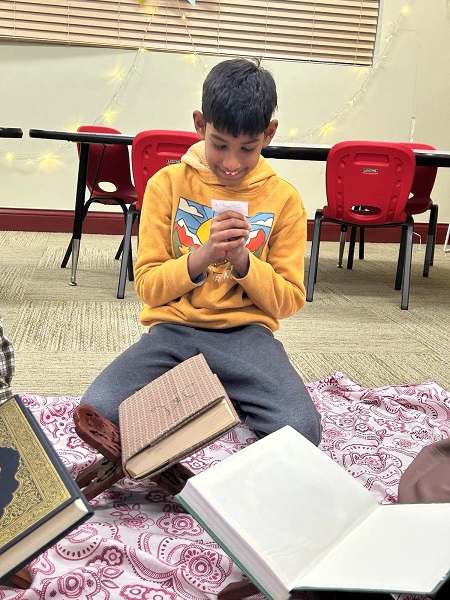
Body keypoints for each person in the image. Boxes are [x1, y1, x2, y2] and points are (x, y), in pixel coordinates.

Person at [81, 58, 322, 445]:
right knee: (98, 411)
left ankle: (211, 392)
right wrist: (203, 255)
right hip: (173, 334)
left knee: (302, 430)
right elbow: (149, 287)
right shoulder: (167, 184)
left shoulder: (284, 200)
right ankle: (212, 393)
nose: (232, 163)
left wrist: (243, 261)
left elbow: (288, 300)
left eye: (247, 148)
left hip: (246, 337)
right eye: (219, 144)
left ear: (269, 133)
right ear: (199, 124)